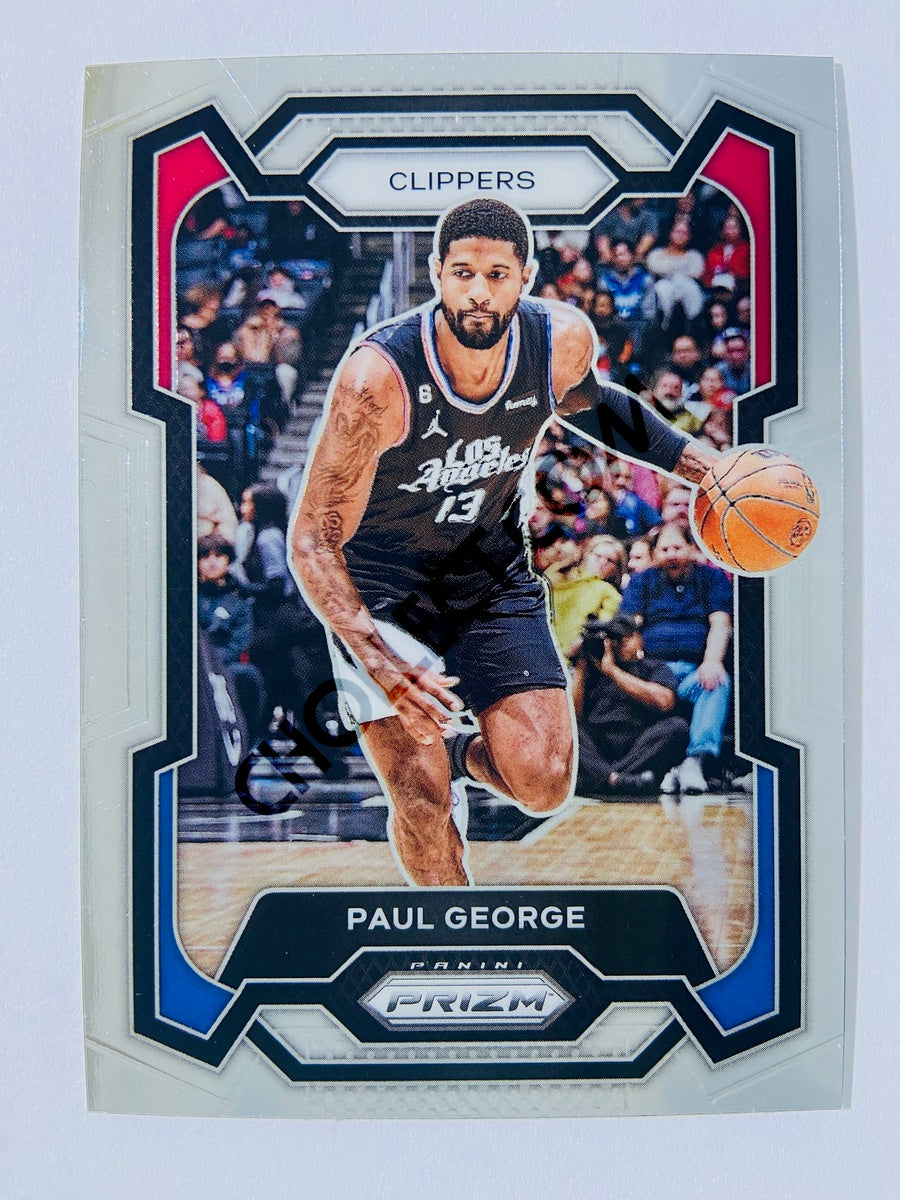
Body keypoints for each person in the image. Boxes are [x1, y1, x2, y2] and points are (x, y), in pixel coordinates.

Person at [290, 198, 717, 886]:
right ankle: (452, 933)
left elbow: (597, 408)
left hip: (486, 572)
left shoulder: (558, 342)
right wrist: (381, 663)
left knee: (543, 782)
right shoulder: (378, 380)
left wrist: (707, 468)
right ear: (437, 274)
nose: (479, 292)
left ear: (526, 277)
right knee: (421, 801)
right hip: (382, 592)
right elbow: (312, 541)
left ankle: (458, 753)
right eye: (463, 273)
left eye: (497, 274)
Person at [620, 523, 732, 795]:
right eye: (665, 549)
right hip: (654, 672)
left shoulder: (712, 578)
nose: (671, 555)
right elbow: (630, 625)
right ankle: (658, 767)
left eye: (677, 548)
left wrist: (712, 661)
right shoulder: (642, 582)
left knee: (716, 682)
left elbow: (720, 623)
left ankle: (695, 761)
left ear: (692, 549)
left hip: (694, 670)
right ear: (655, 554)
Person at [571, 615, 689, 795]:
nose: (623, 643)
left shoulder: (652, 667)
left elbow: (665, 701)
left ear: (639, 638)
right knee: (568, 727)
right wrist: (580, 665)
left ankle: (606, 779)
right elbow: (574, 715)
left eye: (628, 637)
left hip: (637, 742)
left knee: (677, 727)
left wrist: (613, 671)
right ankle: (617, 780)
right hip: (599, 742)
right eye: (617, 639)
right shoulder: (592, 669)